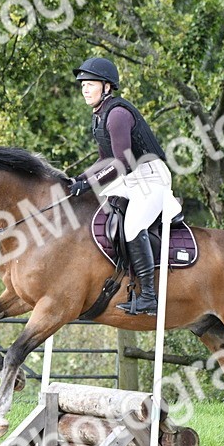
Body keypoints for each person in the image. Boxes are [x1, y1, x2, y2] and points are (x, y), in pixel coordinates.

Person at [69, 57, 171, 316]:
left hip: (151, 177)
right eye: (82, 85)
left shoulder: (116, 115)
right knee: (95, 209)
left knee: (133, 225)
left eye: (90, 84)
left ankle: (148, 296)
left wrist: (90, 182)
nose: (85, 89)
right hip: (132, 178)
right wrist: (77, 180)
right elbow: (105, 160)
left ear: (106, 87)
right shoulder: (99, 116)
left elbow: (122, 162)